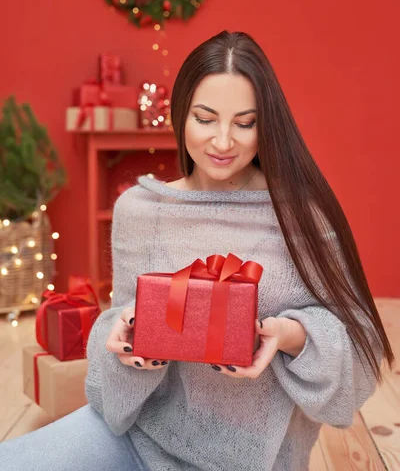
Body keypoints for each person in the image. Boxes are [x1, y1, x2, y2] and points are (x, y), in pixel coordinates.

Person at [0, 30, 394, 471]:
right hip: (137, 444)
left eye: (245, 123)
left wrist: (287, 335)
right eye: (205, 119)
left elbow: (360, 358)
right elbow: (112, 359)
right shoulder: (141, 209)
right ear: (180, 115)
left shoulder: (302, 216)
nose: (223, 142)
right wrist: (123, 339)